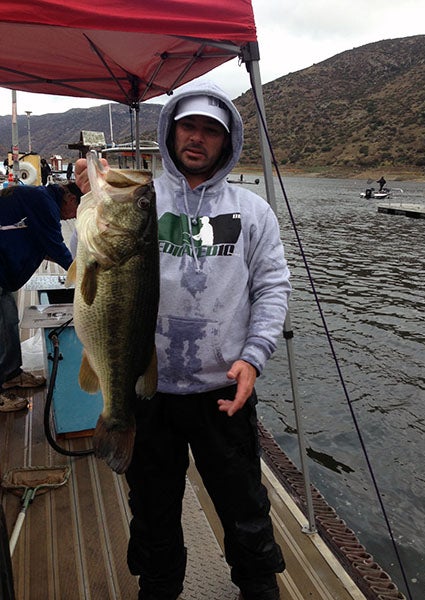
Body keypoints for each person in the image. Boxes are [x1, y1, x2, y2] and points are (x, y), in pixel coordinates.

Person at [75, 81, 290, 600]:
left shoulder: (251, 211)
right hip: (148, 392)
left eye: (211, 130)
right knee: (153, 512)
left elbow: (273, 288)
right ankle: (159, 588)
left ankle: (258, 588)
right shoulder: (140, 195)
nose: (197, 138)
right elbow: (88, 262)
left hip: (223, 391)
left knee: (245, 511)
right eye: (188, 125)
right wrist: (88, 191)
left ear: (228, 140)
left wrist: (254, 359)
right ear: (171, 131)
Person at [0, 181, 82, 412]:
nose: (71, 217)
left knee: (7, 325)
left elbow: (43, 245)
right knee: (3, 327)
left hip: (4, 273)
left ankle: (11, 374)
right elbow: (56, 247)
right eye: (75, 211)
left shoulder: (40, 201)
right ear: (71, 199)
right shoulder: (44, 203)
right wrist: (83, 275)